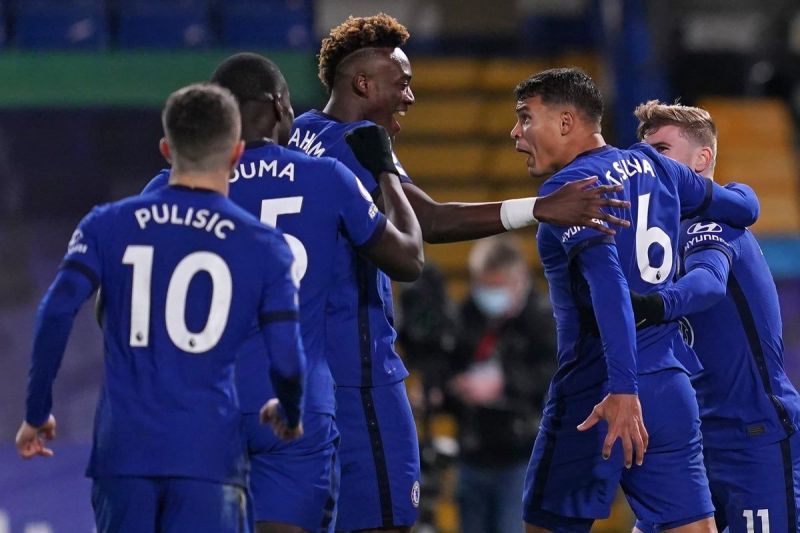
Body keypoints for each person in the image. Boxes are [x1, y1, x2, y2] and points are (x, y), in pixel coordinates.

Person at [290, 14, 633, 532]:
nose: (409, 97)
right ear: (363, 83)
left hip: (294, 364)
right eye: (401, 83)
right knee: (384, 520)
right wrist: (539, 207)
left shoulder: (298, 133)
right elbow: (430, 221)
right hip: (354, 371)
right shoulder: (357, 142)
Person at [143, 53, 423, 533]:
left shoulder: (167, 188)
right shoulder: (326, 178)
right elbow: (409, 258)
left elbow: (119, 307)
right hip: (294, 406)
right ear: (277, 106)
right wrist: (387, 176)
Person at [15, 83, 306, 532]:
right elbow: (287, 356)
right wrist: (289, 410)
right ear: (235, 153)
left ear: (167, 150)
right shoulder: (263, 245)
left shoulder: (106, 224)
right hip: (208, 458)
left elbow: (56, 313)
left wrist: (37, 414)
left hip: (123, 456)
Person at [510, 68, 761, 533]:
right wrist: (744, 191)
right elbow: (744, 209)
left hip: (600, 392)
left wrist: (623, 390)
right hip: (669, 387)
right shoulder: (660, 167)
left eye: (526, 118)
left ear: (566, 123)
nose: (516, 132)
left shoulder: (573, 190)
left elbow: (609, 288)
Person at [630, 101, 800, 533]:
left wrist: (652, 305)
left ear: (702, 159)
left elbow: (707, 284)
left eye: (661, 151)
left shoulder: (714, 220)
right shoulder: (658, 233)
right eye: (644, 154)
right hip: (694, 438)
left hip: (753, 436)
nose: (649, 165)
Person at [443, 234, 556, 533]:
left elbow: (551, 376)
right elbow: (448, 367)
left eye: (496, 286)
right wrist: (451, 390)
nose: (488, 294)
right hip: (472, 451)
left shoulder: (542, 317)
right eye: (483, 285)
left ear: (517, 279)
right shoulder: (467, 315)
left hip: (521, 456)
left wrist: (503, 382)